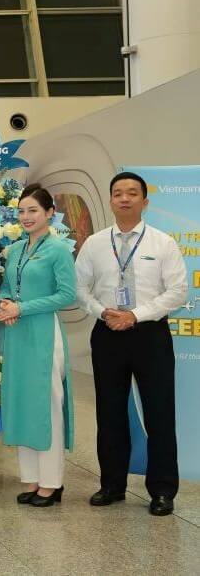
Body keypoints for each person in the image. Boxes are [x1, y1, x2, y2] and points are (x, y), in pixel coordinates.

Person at [75, 172, 187, 516]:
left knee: (159, 414)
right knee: (109, 412)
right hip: (107, 332)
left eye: (132, 193)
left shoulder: (162, 243)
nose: (124, 198)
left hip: (148, 334)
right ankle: (112, 484)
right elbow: (79, 289)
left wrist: (135, 315)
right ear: (110, 201)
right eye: (118, 193)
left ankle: (163, 490)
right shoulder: (94, 243)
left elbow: (178, 292)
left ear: (144, 202)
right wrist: (102, 311)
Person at [0, 184, 77, 507]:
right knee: (21, 404)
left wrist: (21, 308)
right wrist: (5, 302)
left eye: (34, 211)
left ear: (49, 214)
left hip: (43, 333)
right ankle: (32, 479)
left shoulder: (57, 250)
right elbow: (5, 285)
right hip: (16, 335)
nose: (26, 217)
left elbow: (67, 295)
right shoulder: (14, 250)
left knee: (46, 407)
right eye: (22, 211)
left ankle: (52, 484)